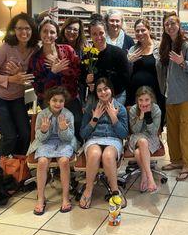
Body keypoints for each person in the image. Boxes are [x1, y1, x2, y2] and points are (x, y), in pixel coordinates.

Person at [0, 13, 38, 160]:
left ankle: (16, 166)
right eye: (19, 28)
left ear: (32, 30)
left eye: (27, 28)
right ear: (13, 30)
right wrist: (11, 78)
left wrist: (20, 74)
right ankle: (0, 170)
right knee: (10, 135)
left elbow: (32, 75)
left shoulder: (34, 50)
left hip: (16, 97)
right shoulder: (6, 48)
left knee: (26, 134)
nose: (23, 32)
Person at [157, 12, 188, 181]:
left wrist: (183, 62)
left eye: (173, 23)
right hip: (171, 95)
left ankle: (186, 164)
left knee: (186, 131)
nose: (170, 26)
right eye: (167, 24)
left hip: (185, 97)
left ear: (179, 25)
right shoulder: (167, 45)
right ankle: (175, 160)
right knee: (172, 132)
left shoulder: (187, 47)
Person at [79, 78, 128, 209]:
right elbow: (83, 134)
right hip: (94, 139)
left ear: (111, 90)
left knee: (107, 155)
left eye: (106, 89)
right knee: (95, 154)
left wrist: (113, 117)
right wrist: (94, 119)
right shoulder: (91, 107)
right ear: (96, 93)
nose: (103, 92)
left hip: (113, 140)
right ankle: (88, 190)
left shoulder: (120, 108)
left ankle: (115, 191)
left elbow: (124, 134)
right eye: (99, 90)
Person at [27, 86, 77, 215]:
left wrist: (63, 129)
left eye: (61, 101)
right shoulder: (42, 114)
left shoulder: (68, 115)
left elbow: (69, 137)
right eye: (55, 100)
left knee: (64, 161)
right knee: (42, 162)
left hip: (64, 142)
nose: (58, 103)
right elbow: (39, 137)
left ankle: (65, 197)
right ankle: (41, 197)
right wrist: (44, 130)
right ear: (49, 100)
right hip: (46, 142)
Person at [29, 19, 82, 138]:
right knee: (53, 128)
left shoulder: (67, 50)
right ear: (40, 34)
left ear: (57, 35)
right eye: (45, 31)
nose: (48, 35)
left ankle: (75, 149)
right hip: (49, 101)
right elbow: (38, 87)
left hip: (70, 98)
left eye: (52, 32)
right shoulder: (35, 59)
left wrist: (63, 69)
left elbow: (79, 72)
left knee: (77, 122)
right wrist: (52, 72)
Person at [126, 18, 165, 126]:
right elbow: (127, 73)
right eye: (137, 31)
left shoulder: (159, 47)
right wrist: (128, 62)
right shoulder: (133, 49)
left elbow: (165, 69)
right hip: (135, 93)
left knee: (153, 125)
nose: (140, 33)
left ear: (149, 30)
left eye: (143, 30)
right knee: (136, 124)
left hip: (155, 94)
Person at [84, 17, 130, 105]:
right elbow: (82, 78)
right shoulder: (87, 55)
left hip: (116, 95)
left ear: (106, 33)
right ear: (90, 35)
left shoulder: (118, 53)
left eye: (101, 33)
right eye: (94, 34)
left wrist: (107, 93)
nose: (98, 37)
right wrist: (87, 81)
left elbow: (125, 78)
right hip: (95, 96)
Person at [128, 86, 161, 193]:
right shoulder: (133, 109)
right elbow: (135, 130)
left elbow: (153, 132)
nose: (144, 103)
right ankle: (150, 177)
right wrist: (141, 115)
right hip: (137, 138)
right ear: (137, 100)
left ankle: (144, 174)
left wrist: (148, 118)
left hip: (151, 137)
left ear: (151, 99)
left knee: (138, 153)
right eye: (141, 100)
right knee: (142, 141)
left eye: (147, 100)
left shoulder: (156, 109)